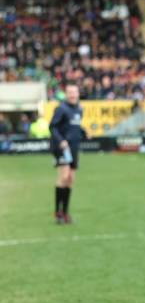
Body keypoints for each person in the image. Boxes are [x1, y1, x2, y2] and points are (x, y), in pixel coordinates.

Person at [49, 82, 85, 224]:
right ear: (66, 94)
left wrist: (84, 132)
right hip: (62, 148)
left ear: (77, 93)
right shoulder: (61, 109)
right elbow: (52, 127)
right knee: (63, 177)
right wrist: (61, 141)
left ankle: (65, 213)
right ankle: (57, 213)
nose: (72, 94)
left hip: (74, 149)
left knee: (70, 180)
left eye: (74, 92)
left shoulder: (79, 109)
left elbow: (75, 127)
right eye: (69, 92)